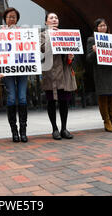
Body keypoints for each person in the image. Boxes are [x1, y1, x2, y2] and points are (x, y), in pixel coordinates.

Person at [41, 12, 77, 140]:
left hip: (64, 73)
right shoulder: (42, 35)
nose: (54, 19)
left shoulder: (66, 35)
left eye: (56, 17)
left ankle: (64, 128)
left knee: (64, 101)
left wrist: (71, 57)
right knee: (51, 101)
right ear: (46, 22)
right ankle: (54, 129)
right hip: (51, 73)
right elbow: (42, 51)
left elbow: (73, 49)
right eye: (51, 18)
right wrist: (51, 36)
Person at [86, 18, 112, 132]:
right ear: (96, 28)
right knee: (103, 97)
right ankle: (107, 122)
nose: (103, 28)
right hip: (101, 73)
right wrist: (94, 52)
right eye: (100, 26)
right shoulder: (91, 40)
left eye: (104, 25)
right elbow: (88, 59)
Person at [0, 8, 29, 142]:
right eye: (10, 17)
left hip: (22, 70)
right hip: (7, 71)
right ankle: (14, 131)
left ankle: (23, 131)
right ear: (5, 18)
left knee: (22, 98)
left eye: (14, 17)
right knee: (11, 98)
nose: (12, 19)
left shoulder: (23, 32)